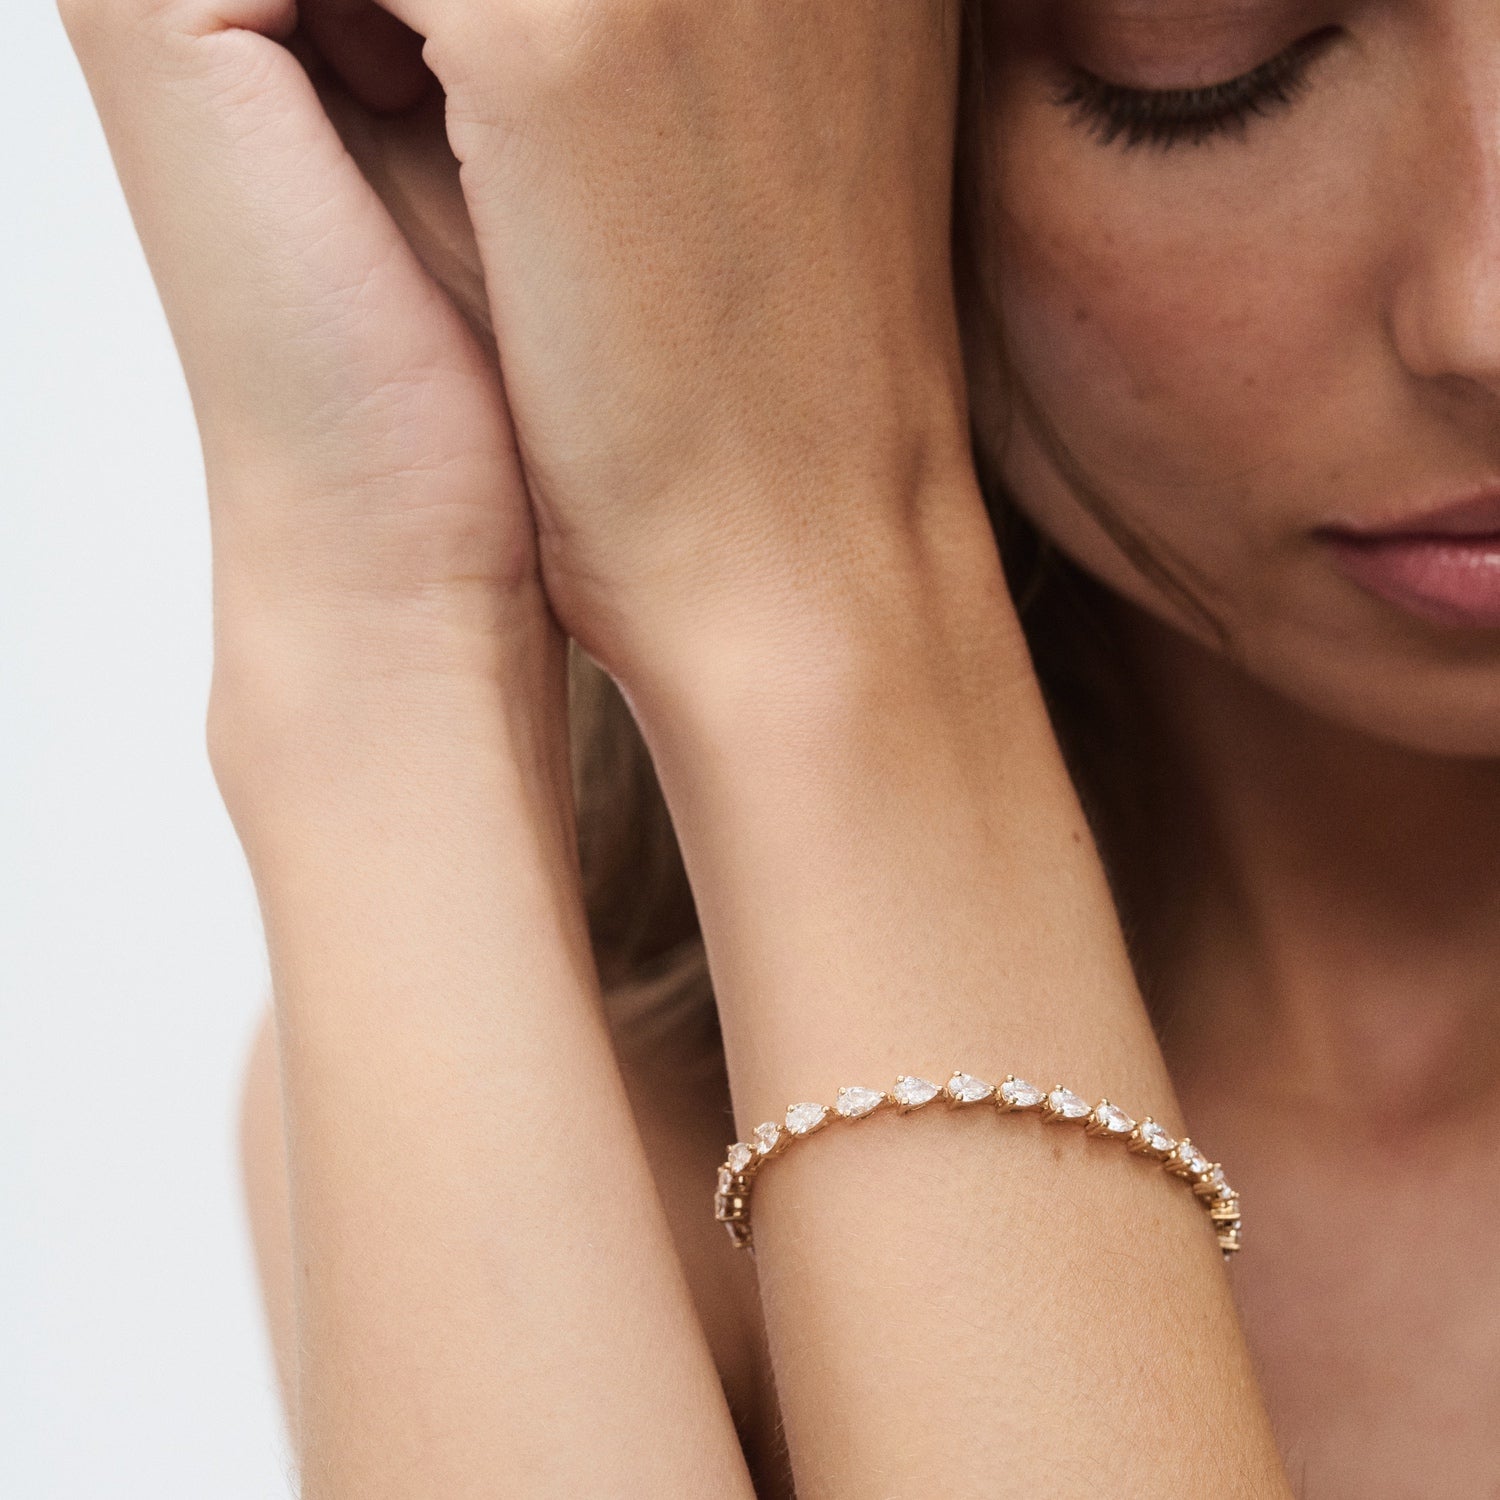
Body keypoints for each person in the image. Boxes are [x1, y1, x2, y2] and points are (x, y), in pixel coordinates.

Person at [60, 0, 1500, 1493]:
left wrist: (850, 586)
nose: (1484, 316)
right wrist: (380, 611)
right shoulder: (608, 1114)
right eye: (1201, 61)